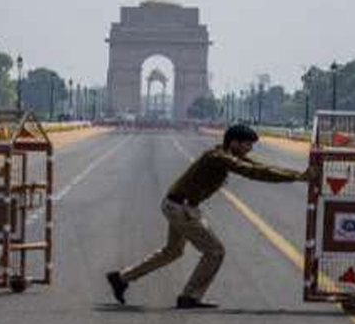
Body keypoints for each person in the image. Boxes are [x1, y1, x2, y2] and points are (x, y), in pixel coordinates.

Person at [106, 124, 313, 309]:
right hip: (181, 208)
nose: (250, 149)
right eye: (247, 145)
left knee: (172, 252)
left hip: (179, 206)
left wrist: (298, 175)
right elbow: (252, 172)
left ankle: (122, 278)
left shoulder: (225, 155)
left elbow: (259, 166)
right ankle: (189, 297)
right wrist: (298, 177)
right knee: (215, 251)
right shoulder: (218, 157)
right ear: (234, 143)